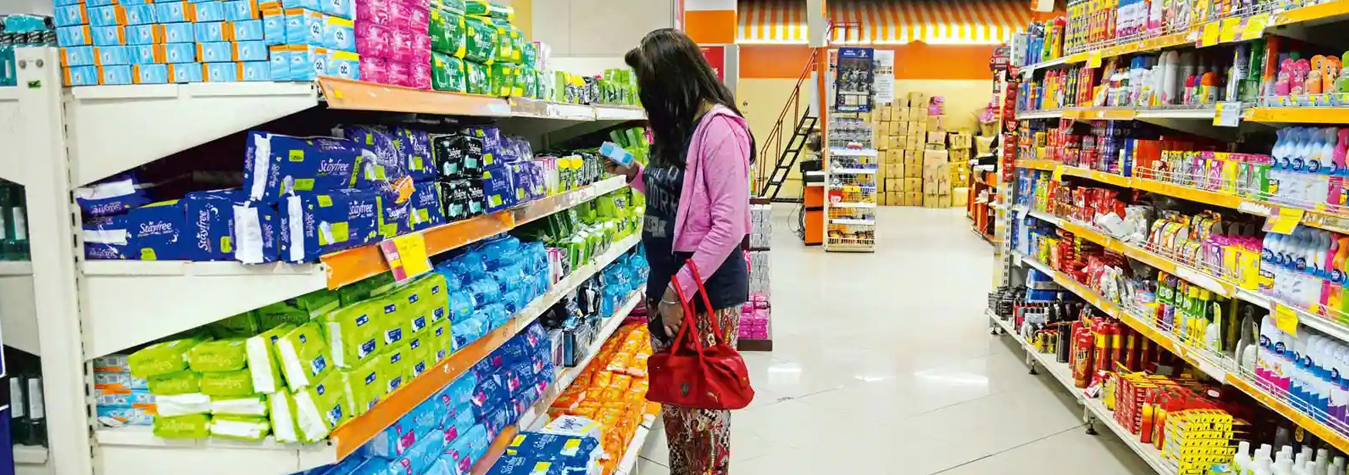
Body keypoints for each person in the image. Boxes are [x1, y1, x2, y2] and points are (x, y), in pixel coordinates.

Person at [604, 28, 754, 475]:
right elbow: (675, 194)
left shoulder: (720, 130)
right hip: (665, 290)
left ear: (674, 83)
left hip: (702, 296)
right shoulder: (675, 129)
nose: (647, 102)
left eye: (650, 91)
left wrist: (676, 293)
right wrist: (635, 173)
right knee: (677, 413)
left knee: (703, 417)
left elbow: (728, 226)